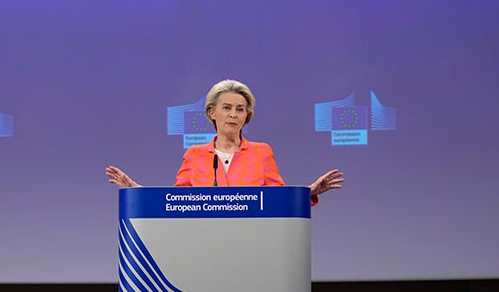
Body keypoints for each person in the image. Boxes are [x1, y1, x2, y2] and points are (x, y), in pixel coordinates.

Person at [106, 79, 343, 204]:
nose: (233, 114)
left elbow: (277, 201)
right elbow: (177, 203)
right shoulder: (195, 155)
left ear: (246, 116)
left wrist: (309, 192)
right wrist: (137, 192)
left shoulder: (262, 152)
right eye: (227, 108)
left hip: (253, 241)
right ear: (212, 113)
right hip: (204, 241)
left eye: (240, 109)